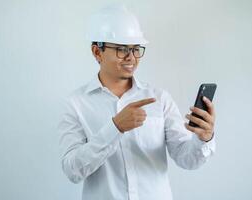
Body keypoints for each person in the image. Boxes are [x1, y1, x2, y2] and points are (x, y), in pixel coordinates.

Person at [58, 5, 216, 200]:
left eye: (135, 49)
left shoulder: (160, 99)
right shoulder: (76, 104)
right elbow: (73, 171)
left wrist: (204, 139)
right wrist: (114, 128)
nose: (131, 57)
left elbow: (187, 160)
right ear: (97, 52)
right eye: (122, 49)